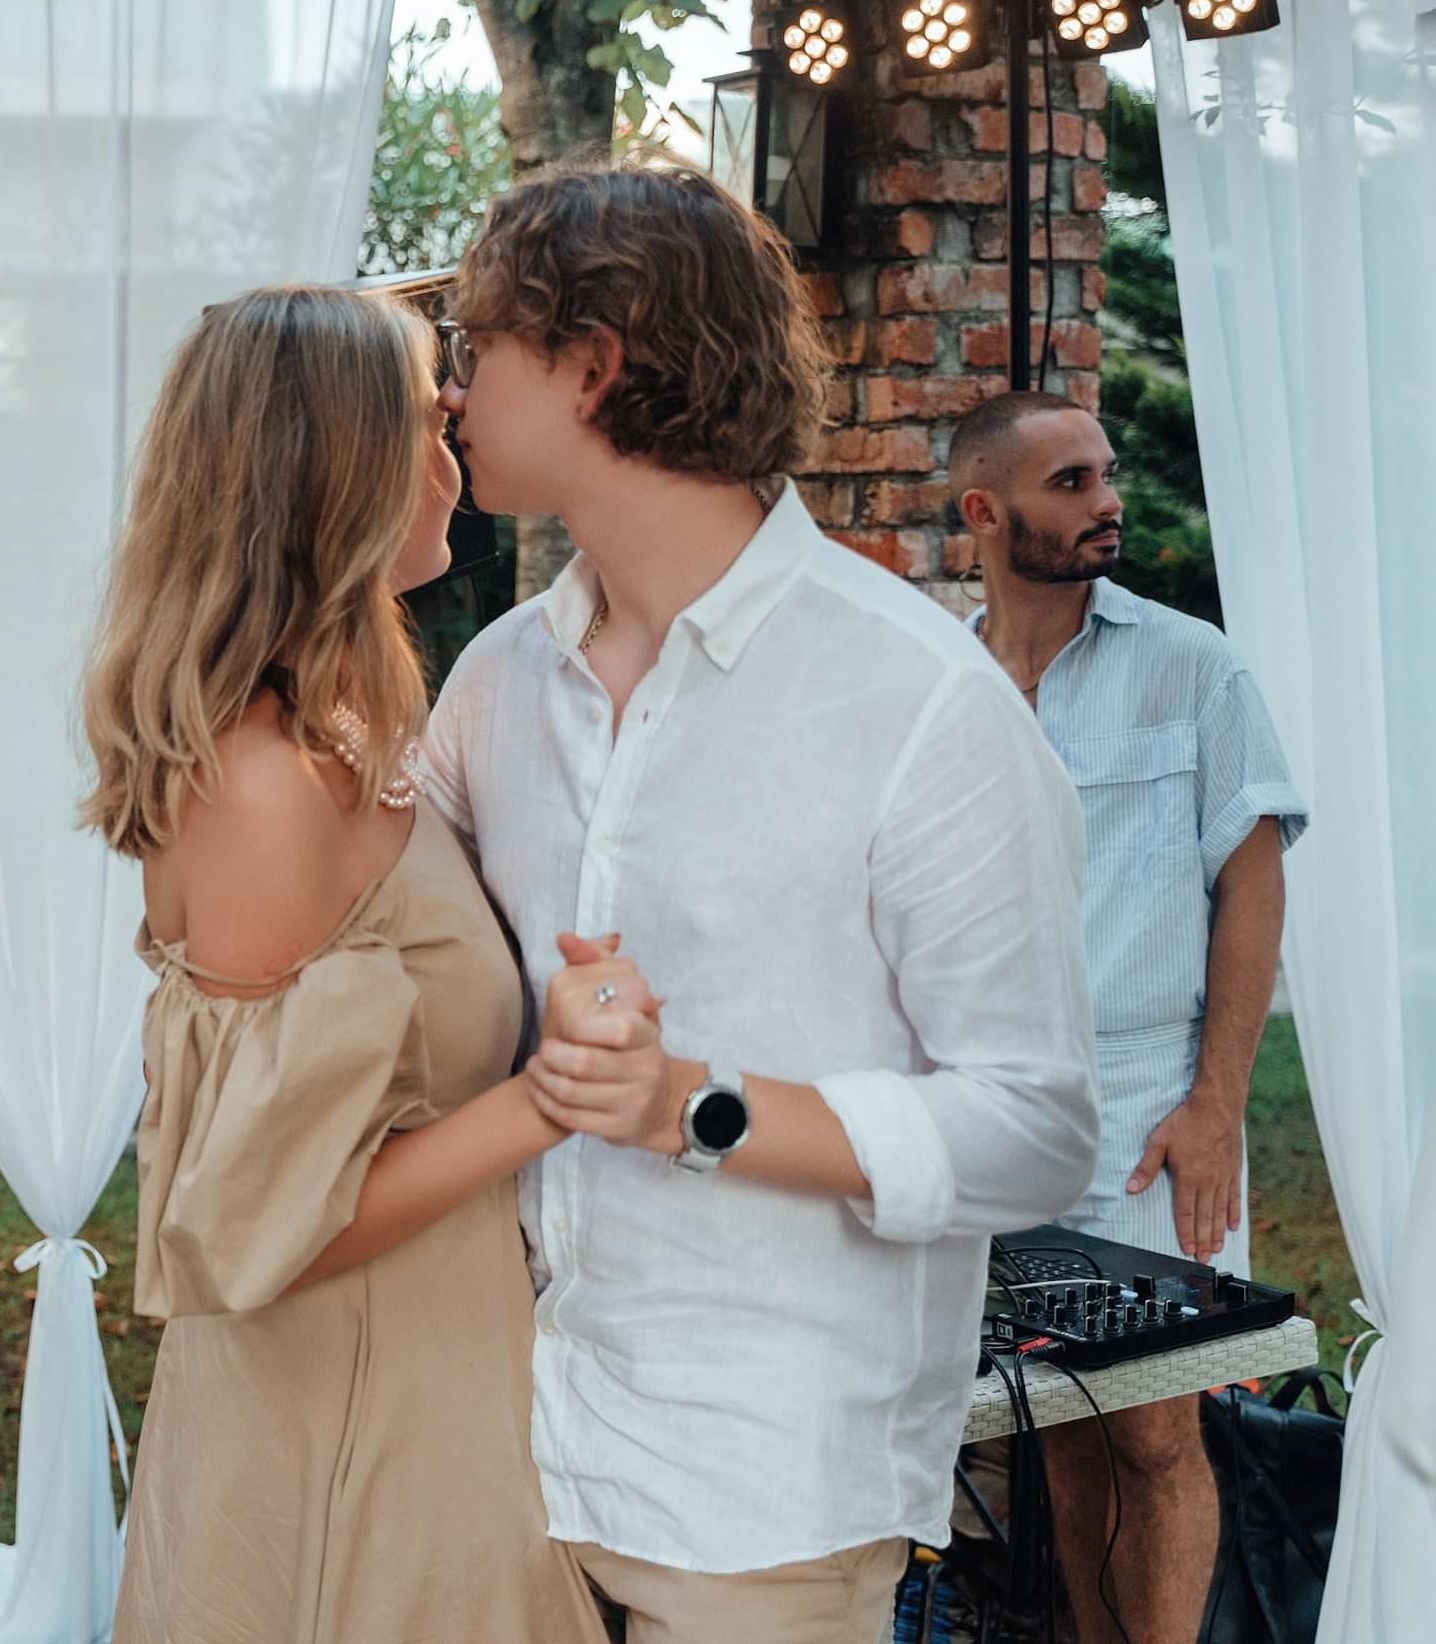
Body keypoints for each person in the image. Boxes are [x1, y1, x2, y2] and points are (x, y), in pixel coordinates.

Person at [421, 164, 1100, 1644]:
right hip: (489, 1456)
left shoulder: (921, 702)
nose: (452, 390)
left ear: (592, 366)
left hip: (759, 1500)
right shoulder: (494, 681)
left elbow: (1036, 1126)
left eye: (480, 347)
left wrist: (688, 1104)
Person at [82, 285, 604, 1644]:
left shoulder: (348, 733)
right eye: (427, 416)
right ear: (338, 466)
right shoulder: (261, 786)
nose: (455, 447)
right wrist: (553, 1093)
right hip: (349, 1427)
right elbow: (268, 1220)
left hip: (435, 1372)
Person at [955, 388, 1307, 1644]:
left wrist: (1215, 1103)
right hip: (990, 1104)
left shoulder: (1191, 665)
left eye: (1105, 474)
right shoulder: (938, 681)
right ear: (982, 511)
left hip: (1148, 1101)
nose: (1107, 502)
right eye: (1070, 483)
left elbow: (1251, 885)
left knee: (1155, 1427)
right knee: (1060, 1416)